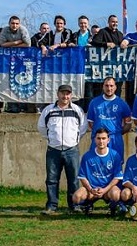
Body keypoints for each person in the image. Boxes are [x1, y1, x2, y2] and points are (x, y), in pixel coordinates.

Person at [37, 84, 87, 215]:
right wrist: (52, 139)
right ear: (58, 94)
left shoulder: (77, 110)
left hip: (72, 150)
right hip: (53, 150)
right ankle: (51, 205)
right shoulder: (48, 110)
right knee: (52, 179)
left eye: (68, 94)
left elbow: (82, 128)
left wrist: (73, 141)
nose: (65, 96)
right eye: (63, 93)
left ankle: (74, 205)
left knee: (74, 179)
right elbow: (42, 128)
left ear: (71, 95)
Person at [72, 128, 124, 216]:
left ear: (108, 140)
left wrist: (104, 190)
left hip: (108, 189)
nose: (101, 141)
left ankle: (112, 207)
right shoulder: (87, 156)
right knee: (76, 197)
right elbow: (82, 176)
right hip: (92, 190)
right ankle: (88, 205)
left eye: (104, 138)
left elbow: (117, 178)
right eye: (98, 138)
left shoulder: (115, 155)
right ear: (94, 140)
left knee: (116, 194)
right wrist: (91, 189)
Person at [86, 77, 132, 154]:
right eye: (106, 85)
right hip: (99, 139)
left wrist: (117, 132)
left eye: (111, 86)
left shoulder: (122, 103)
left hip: (115, 140)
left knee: (115, 164)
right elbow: (91, 123)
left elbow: (128, 123)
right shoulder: (94, 102)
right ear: (103, 87)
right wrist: (100, 133)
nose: (109, 88)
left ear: (115, 87)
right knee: (97, 163)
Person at [1, 15, 31, 113]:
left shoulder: (23, 30)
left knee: (23, 82)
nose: (15, 25)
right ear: (9, 24)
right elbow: (2, 44)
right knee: (10, 82)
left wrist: (11, 44)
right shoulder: (5, 30)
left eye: (17, 23)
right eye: (13, 23)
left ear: (19, 24)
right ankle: (11, 107)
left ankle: (23, 106)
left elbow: (28, 44)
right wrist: (16, 42)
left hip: (23, 59)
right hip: (9, 60)